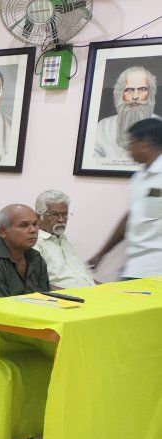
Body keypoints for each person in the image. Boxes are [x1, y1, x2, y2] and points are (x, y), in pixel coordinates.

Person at [89, 118, 162, 279]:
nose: (128, 148)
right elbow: (132, 217)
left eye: (131, 143)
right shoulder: (140, 178)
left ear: (145, 144)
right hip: (137, 265)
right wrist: (102, 253)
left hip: (156, 269)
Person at [0, 205, 50, 299]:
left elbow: (46, 298)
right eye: (23, 225)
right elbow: (3, 306)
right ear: (3, 232)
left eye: (35, 224)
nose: (33, 230)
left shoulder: (36, 258)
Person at [31, 190, 94, 289]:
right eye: (54, 214)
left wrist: (105, 289)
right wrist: (74, 295)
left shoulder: (63, 239)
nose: (61, 220)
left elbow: (84, 278)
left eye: (65, 214)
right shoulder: (34, 243)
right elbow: (37, 285)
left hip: (91, 292)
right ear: (38, 217)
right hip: (68, 296)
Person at [94, 67, 159, 159]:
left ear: (150, 94)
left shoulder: (159, 125)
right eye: (129, 90)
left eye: (142, 89)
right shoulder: (103, 127)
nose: (135, 96)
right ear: (120, 94)